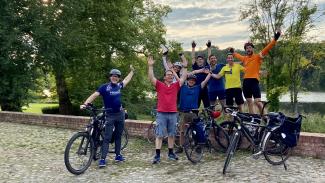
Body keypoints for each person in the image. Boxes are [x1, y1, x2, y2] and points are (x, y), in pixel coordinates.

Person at [80, 65, 135, 168]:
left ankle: (118, 155)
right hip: (110, 115)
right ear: (110, 77)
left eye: (117, 76)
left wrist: (132, 71)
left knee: (118, 136)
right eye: (113, 76)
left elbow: (127, 80)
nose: (115, 78)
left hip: (120, 115)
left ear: (118, 78)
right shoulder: (104, 87)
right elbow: (94, 95)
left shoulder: (119, 86)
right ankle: (102, 159)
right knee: (107, 137)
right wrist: (85, 103)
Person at [147, 54, 188, 164]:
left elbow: (184, 77)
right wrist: (150, 66)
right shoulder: (160, 85)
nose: (170, 76)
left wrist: (185, 65)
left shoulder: (176, 85)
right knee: (159, 134)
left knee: (172, 134)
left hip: (173, 113)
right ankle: (157, 155)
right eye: (168, 75)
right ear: (164, 77)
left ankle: (170, 153)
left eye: (171, 75)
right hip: (161, 113)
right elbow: (151, 78)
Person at [229, 31, 281, 114]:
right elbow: (237, 55)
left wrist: (275, 39)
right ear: (245, 50)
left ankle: (265, 117)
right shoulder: (244, 59)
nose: (248, 49)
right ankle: (252, 119)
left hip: (254, 81)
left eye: (250, 48)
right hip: (246, 82)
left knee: (257, 102)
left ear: (252, 49)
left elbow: (267, 48)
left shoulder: (257, 57)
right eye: (247, 48)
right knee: (249, 102)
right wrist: (233, 52)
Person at [176, 72, 211, 153]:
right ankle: (181, 147)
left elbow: (205, 81)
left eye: (193, 80)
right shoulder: (182, 87)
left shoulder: (198, 88)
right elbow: (179, 78)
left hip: (193, 113)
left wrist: (210, 72)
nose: (191, 81)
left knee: (197, 129)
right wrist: (172, 69)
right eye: (190, 80)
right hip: (183, 112)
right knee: (182, 131)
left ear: (195, 82)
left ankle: (199, 144)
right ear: (187, 81)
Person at [206, 40, 226, 108]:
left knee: (224, 106)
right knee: (211, 107)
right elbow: (197, 71)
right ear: (209, 60)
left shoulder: (221, 65)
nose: (213, 59)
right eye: (211, 59)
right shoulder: (207, 68)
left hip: (221, 89)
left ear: (216, 59)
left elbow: (230, 65)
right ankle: (212, 118)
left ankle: (226, 118)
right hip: (211, 90)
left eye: (214, 58)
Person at [191, 41, 210, 108]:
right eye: (198, 59)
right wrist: (193, 48)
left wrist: (209, 48)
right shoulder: (195, 67)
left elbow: (209, 57)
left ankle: (209, 118)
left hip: (205, 88)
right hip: (196, 88)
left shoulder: (206, 67)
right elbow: (193, 58)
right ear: (197, 61)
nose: (199, 60)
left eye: (201, 59)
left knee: (207, 106)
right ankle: (196, 118)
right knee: (196, 105)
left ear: (203, 60)